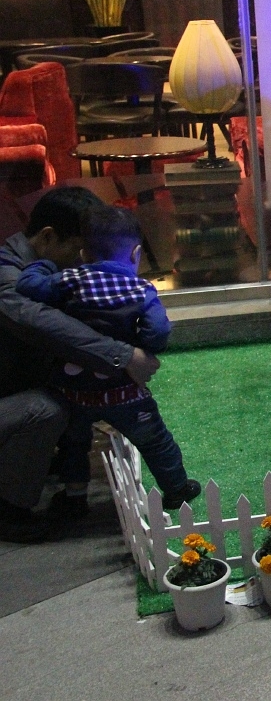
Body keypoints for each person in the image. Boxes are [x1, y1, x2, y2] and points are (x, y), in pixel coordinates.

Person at [15, 203, 200, 518]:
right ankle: (176, 488)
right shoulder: (140, 289)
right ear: (136, 254)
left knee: (74, 445)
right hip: (124, 392)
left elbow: (27, 286)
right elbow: (159, 331)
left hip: (74, 392)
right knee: (155, 441)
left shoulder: (69, 280)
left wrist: (44, 264)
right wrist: (142, 347)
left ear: (84, 253)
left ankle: (75, 496)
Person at [0, 188, 161, 541]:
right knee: (45, 409)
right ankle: (10, 510)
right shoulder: (7, 276)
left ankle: (49, 467)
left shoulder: (50, 272)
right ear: (48, 237)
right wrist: (123, 356)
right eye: (79, 249)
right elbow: (40, 322)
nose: (86, 260)